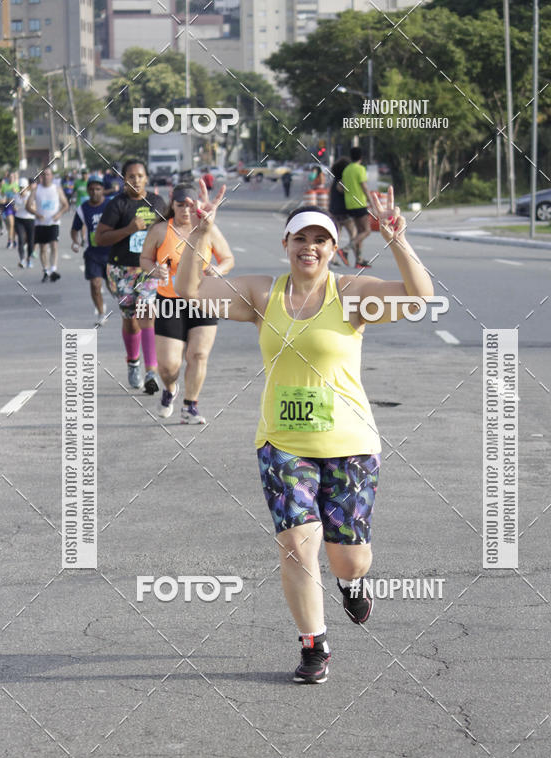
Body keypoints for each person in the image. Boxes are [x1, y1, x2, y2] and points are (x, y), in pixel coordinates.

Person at [175, 186, 433, 684]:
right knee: (296, 546)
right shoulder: (261, 293)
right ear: (286, 243)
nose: (309, 246)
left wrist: (396, 239)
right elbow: (188, 292)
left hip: (351, 444)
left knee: (349, 557)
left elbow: (420, 299)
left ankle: (351, 584)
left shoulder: (352, 294)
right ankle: (314, 644)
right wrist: (201, 234)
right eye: (301, 237)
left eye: (321, 239)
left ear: (333, 249)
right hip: (283, 443)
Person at [140, 183, 234, 422]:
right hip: (169, 302)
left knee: (199, 355)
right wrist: (154, 270)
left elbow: (228, 258)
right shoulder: (161, 230)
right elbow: (145, 258)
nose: (185, 210)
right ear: (173, 204)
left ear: (198, 206)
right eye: (180, 205)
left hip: (203, 300)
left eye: (190, 205)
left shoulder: (208, 229)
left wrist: (218, 269)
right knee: (169, 367)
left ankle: (190, 407)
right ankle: (170, 389)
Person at [95, 158, 167, 392]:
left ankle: (151, 372)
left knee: (147, 313)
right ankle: (133, 361)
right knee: (131, 320)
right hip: (121, 270)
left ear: (147, 178)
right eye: (131, 176)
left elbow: (170, 235)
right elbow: (100, 238)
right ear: (124, 180)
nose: (136, 180)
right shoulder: (117, 205)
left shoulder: (157, 203)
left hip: (148, 269)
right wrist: (129, 229)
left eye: (140, 175)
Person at [70, 175, 111, 325]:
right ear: (87, 190)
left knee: (112, 287)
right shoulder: (83, 209)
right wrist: (75, 241)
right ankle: (101, 313)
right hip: (93, 253)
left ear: (103, 190)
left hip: (112, 253)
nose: (94, 192)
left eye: (98, 189)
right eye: (92, 189)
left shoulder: (110, 205)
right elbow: (75, 229)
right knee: (95, 284)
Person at [25, 168, 69, 282]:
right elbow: (28, 206)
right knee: (43, 248)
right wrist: (36, 214)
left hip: (53, 222)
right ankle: (46, 270)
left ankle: (53, 269)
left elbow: (65, 205)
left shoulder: (57, 189)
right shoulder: (36, 190)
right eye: (43, 175)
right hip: (40, 223)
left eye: (48, 175)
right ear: (41, 177)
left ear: (52, 176)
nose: (46, 177)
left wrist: (59, 214)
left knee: (54, 245)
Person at [341, 146, 372, 268]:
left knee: (360, 232)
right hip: (360, 203)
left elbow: (342, 186)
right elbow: (364, 187)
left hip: (349, 204)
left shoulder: (346, 170)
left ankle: (359, 260)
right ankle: (346, 249)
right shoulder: (360, 169)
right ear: (361, 157)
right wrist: (372, 202)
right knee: (366, 231)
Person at [328, 157, 356, 267]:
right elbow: (344, 191)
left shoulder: (334, 181)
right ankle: (351, 254)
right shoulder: (341, 181)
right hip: (343, 212)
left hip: (334, 211)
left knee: (336, 236)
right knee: (354, 235)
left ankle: (333, 258)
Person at [13, 177, 36, 267]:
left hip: (30, 219)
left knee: (31, 241)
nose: (21, 189)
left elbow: (34, 208)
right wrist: (15, 207)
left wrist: (28, 205)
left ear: (27, 187)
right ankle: (22, 259)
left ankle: (29, 259)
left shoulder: (31, 195)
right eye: (20, 187)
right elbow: (15, 207)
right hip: (19, 219)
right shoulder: (16, 196)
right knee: (21, 239)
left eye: (23, 187)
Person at [0, 172, 19, 249]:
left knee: (14, 225)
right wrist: (3, 199)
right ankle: (9, 241)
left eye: (12, 177)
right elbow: (1, 195)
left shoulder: (16, 185)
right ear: (8, 178)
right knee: (10, 224)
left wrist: (16, 192)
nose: (11, 178)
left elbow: (20, 195)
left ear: (14, 178)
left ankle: (14, 240)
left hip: (15, 207)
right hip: (8, 207)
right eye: (10, 177)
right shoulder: (5, 185)